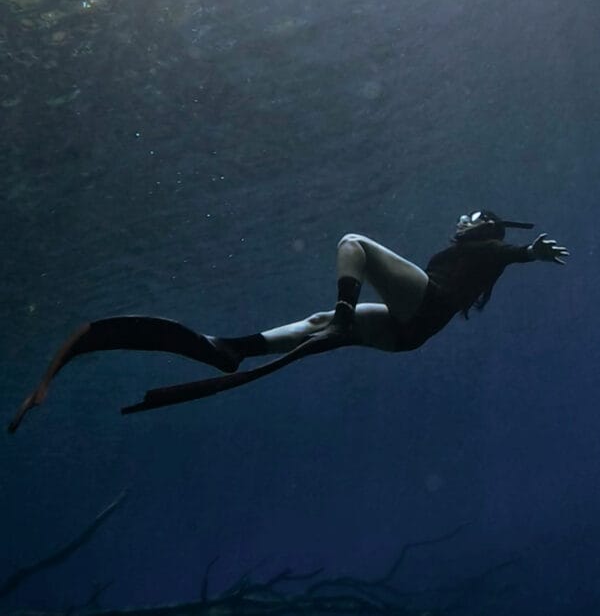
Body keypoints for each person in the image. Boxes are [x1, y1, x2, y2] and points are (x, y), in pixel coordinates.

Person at [8, 210, 569, 431]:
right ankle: (234, 348)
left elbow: (501, 254)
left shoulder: (485, 250)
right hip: (409, 334)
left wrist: (527, 252)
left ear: (486, 230)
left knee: (353, 242)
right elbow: (493, 259)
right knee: (316, 320)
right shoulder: (472, 256)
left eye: (475, 217)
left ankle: (341, 315)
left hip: (423, 312)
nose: (464, 218)